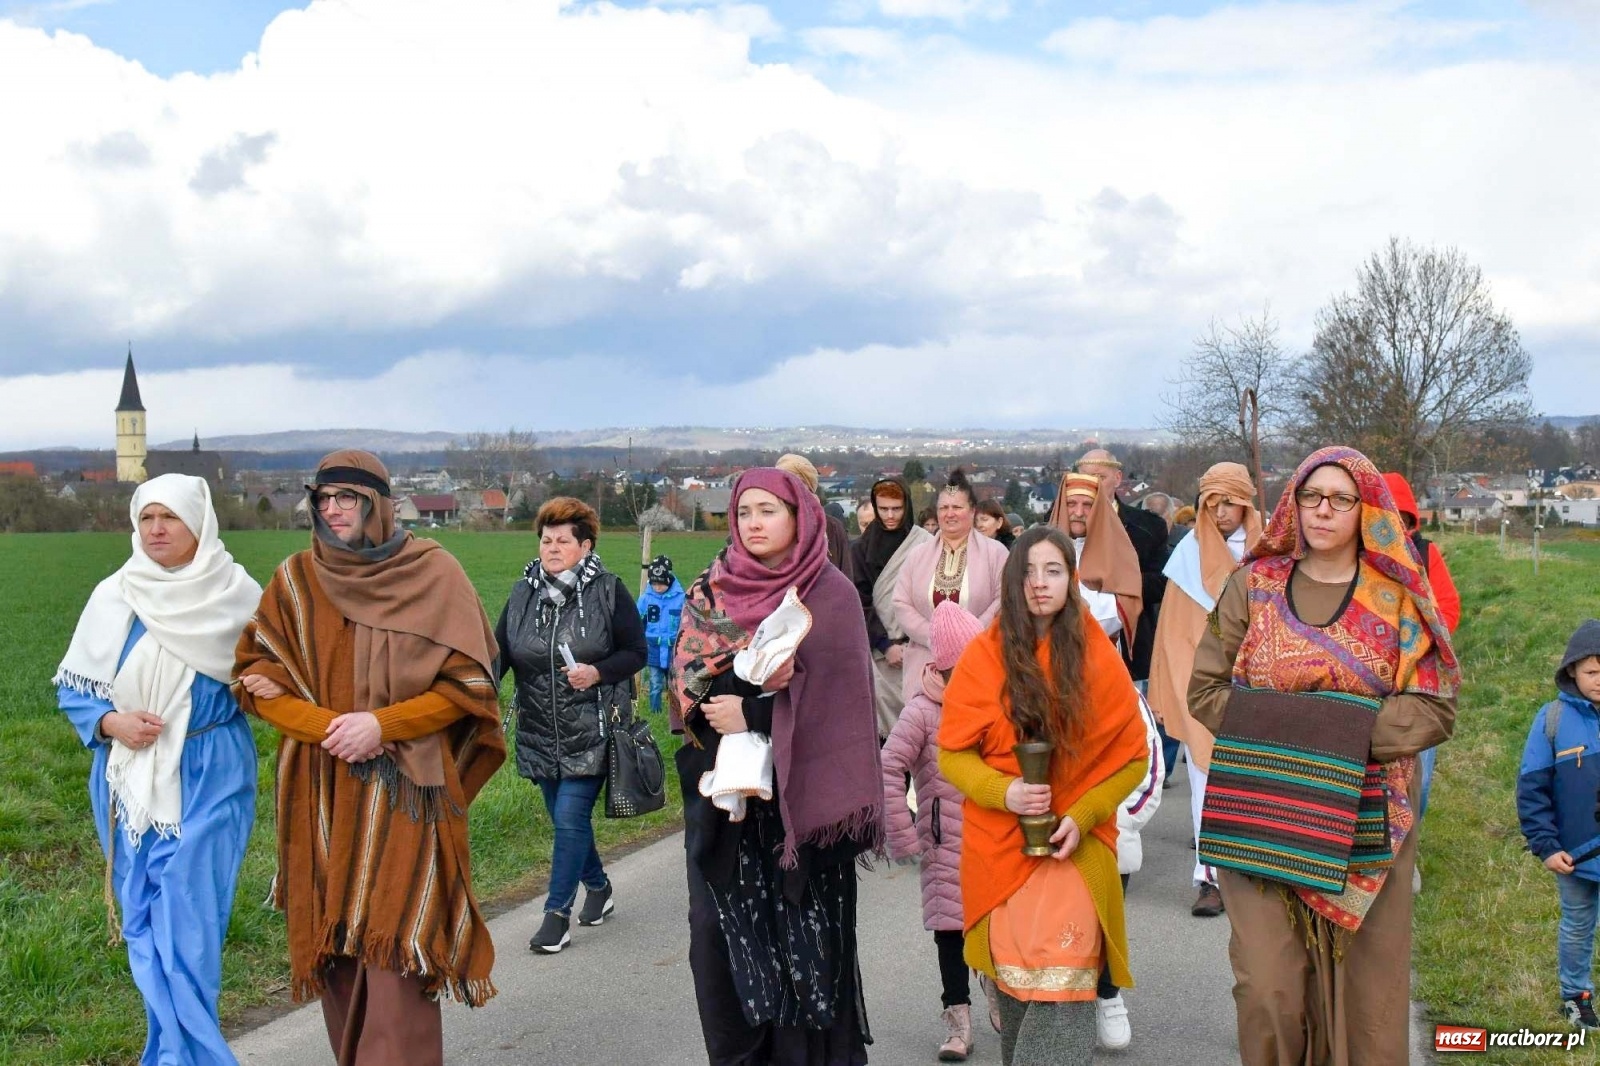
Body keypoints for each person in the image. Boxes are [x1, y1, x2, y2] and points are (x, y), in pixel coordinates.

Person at [1188, 445, 1458, 1066]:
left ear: (1367, 510)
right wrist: (1314, 730)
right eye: (1311, 496)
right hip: (1262, 812)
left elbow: (1434, 707)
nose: (1324, 511)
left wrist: (1331, 734)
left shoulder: (1397, 600)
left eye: (1341, 499)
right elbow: (1205, 688)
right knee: (1268, 989)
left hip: (1367, 824)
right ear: (1294, 504)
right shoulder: (1253, 586)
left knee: (1366, 1004)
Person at [235, 450, 505, 1065]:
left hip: (405, 789)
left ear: (378, 504)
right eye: (323, 499)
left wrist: (381, 725)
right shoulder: (295, 580)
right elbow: (254, 677)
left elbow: (469, 689)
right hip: (320, 791)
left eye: (347, 499)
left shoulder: (434, 574)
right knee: (337, 956)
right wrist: (335, 727)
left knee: (397, 946)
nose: (332, 511)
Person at [671, 467, 883, 1066]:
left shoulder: (831, 595)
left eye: (768, 510)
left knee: (804, 954)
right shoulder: (708, 591)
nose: (754, 523)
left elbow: (845, 712)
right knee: (718, 946)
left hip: (804, 816)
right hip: (727, 810)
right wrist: (737, 683)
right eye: (744, 512)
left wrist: (761, 712)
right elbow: (685, 689)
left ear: (800, 515)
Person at [55, 474, 261, 1066]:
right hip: (127, 779)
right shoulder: (115, 595)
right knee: (143, 917)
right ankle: (171, 1051)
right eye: (147, 518)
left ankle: (191, 1056)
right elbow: (77, 690)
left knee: (190, 922)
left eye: (170, 518)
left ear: (199, 523)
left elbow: (274, 675)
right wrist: (109, 724)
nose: (157, 530)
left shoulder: (238, 595)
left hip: (211, 770)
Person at [938, 526, 1149, 1066]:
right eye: (1027, 572)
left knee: (1061, 995)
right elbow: (953, 756)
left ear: (1071, 579)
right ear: (1011, 583)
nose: (1039, 584)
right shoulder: (983, 659)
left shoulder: (1099, 658)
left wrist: (1083, 813)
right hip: (1000, 853)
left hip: (1074, 853)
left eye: (1053, 570)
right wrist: (1003, 791)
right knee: (1014, 998)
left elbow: (1133, 760)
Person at [494, 496, 647, 953]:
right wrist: (469, 692)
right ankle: (598, 889)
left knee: (568, 818)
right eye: (546, 539)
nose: (553, 547)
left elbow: (635, 652)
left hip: (593, 727)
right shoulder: (523, 594)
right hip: (538, 730)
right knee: (567, 823)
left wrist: (597, 672)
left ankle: (555, 916)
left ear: (585, 545)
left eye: (563, 540)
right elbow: (499, 655)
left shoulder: (608, 590)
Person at [1146, 462, 1263, 919]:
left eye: (1230, 501)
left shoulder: (1270, 554)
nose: (1221, 512)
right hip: (1207, 693)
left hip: (1258, 689)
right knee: (1206, 783)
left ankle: (1254, 876)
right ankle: (1209, 879)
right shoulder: (1187, 559)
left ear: (1246, 503)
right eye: (1212, 502)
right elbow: (1173, 634)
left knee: (1256, 783)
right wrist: (1178, 689)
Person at [881, 601, 986, 1061]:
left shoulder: (998, 701)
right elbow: (888, 769)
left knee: (997, 923)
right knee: (950, 932)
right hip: (944, 843)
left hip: (995, 839)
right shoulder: (922, 712)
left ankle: (1001, 992)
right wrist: (903, 835)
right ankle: (958, 1018)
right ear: (941, 668)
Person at [1517, 620, 1600, 1029]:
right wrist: (1546, 846)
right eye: (1592, 672)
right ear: (1572, 671)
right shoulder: (1550, 720)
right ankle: (1576, 995)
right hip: (1575, 855)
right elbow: (1532, 790)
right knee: (1578, 926)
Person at [1382, 471, 1462, 838]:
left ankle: (1408, 847)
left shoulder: (1426, 553)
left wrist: (1413, 643)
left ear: (1412, 518)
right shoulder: (1354, 555)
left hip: (1419, 681)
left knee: (1420, 773)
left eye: (1402, 515)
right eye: (1386, 513)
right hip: (1369, 678)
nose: (1394, 523)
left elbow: (1448, 607)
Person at [894, 469, 1010, 704]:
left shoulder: (996, 553)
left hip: (980, 660)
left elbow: (1004, 599)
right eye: (943, 508)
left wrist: (969, 635)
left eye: (957, 507)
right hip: (925, 667)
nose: (950, 514)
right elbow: (901, 602)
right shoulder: (918, 555)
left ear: (973, 510)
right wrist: (937, 638)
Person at [1098, 691, 1164, 1051]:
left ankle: (1109, 994)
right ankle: (1061, 1002)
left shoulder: (1119, 687)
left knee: (1108, 922)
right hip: (1049, 826)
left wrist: (1121, 820)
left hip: (1110, 830)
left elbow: (1150, 763)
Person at [849, 475, 934, 736]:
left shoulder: (926, 544)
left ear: (906, 506)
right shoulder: (862, 549)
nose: (890, 515)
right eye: (883, 509)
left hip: (921, 649)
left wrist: (913, 640)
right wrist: (885, 645)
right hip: (878, 654)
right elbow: (860, 602)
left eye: (896, 509)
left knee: (924, 729)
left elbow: (932, 596)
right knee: (884, 734)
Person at [1047, 472, 1142, 659]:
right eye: (1071, 504)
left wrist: (1069, 620)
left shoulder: (1118, 550)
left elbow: (1124, 605)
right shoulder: (1040, 548)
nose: (1079, 513)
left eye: (1087, 505)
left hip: (1098, 652)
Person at [776, 453, 854, 579]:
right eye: (785, 482)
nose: (790, 488)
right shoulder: (768, 523)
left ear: (809, 487)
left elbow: (845, 575)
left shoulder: (831, 527)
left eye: (798, 482)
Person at [639, 554, 685, 715]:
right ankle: (655, 711)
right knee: (654, 681)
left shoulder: (681, 598)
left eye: (661, 584)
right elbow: (637, 619)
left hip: (673, 647)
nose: (657, 587)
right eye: (654, 583)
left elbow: (686, 620)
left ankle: (676, 713)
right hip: (653, 647)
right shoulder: (646, 598)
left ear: (669, 580)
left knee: (674, 682)